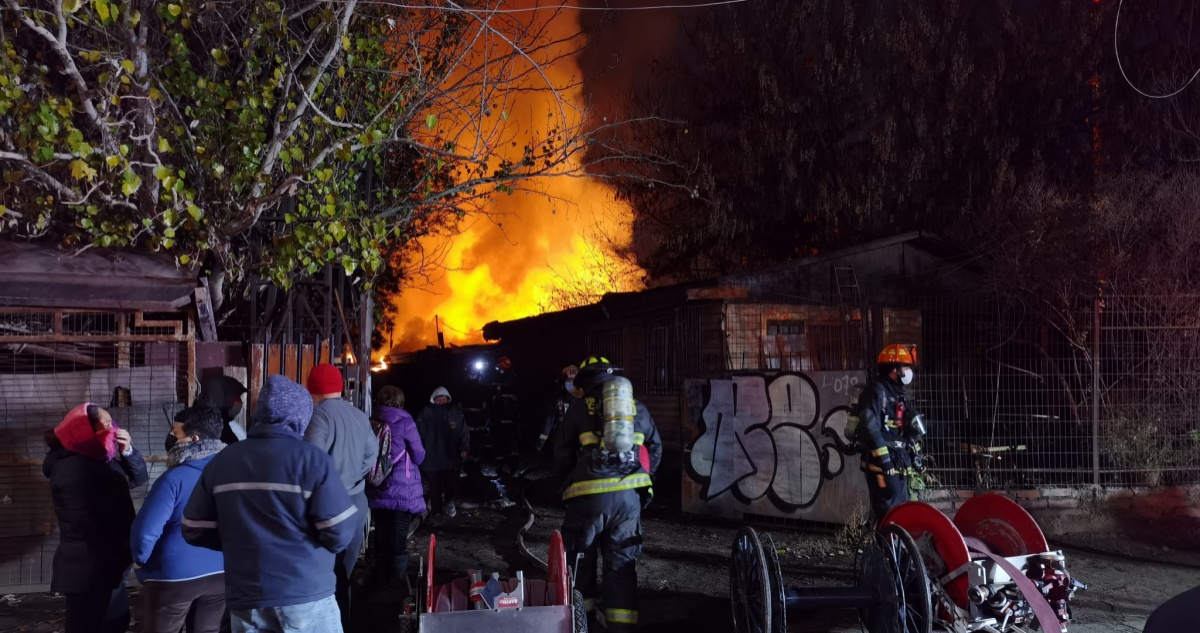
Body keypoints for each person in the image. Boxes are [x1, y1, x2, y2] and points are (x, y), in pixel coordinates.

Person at [183, 375, 359, 633]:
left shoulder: (223, 460)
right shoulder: (312, 460)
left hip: (246, 599)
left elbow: (193, 527)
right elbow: (340, 532)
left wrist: (240, 543)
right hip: (305, 595)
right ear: (300, 416)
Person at [553, 355, 662, 632]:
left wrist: (568, 480)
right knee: (621, 564)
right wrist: (641, 479)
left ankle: (582, 622)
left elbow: (562, 452)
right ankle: (621, 627)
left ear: (587, 381)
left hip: (589, 498)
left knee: (581, 559)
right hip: (629, 502)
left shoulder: (579, 408)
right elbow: (656, 448)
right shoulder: (636, 407)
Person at [43, 402, 149, 633]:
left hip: (106, 564)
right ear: (86, 431)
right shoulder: (72, 468)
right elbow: (96, 519)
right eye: (108, 424)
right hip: (89, 567)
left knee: (113, 620)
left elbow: (138, 478)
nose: (115, 428)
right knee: (90, 624)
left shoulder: (96, 457)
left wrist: (128, 450)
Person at [131, 407, 227, 633]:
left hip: (173, 576)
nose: (171, 437)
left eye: (175, 432)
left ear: (194, 439)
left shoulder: (173, 479)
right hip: (222, 573)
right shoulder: (233, 471)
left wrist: (141, 561)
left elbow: (145, 532)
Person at [304, 363, 378, 629]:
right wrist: (353, 475)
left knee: (324, 575)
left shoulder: (317, 417)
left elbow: (313, 461)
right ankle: (345, 622)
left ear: (312, 389)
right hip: (357, 502)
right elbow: (372, 453)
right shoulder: (358, 415)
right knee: (344, 572)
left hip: (328, 505)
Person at [856, 344, 925, 523]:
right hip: (883, 466)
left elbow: (904, 429)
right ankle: (887, 549)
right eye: (906, 367)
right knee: (889, 513)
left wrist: (916, 453)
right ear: (895, 370)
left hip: (899, 462)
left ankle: (898, 550)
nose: (909, 372)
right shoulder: (875, 392)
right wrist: (885, 461)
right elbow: (870, 428)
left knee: (901, 511)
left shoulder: (898, 394)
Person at [367, 386, 426, 588]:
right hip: (401, 488)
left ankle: (379, 578)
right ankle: (396, 581)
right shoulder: (405, 421)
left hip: (378, 485)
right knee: (399, 535)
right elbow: (419, 455)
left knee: (381, 532)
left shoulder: (371, 420)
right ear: (400, 401)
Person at [416, 386, 470, 518]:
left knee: (453, 486)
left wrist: (464, 448)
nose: (441, 402)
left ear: (448, 399)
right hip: (431, 459)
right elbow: (417, 434)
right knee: (435, 489)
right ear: (433, 400)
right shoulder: (425, 413)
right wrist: (417, 452)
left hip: (451, 458)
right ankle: (437, 512)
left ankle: (450, 502)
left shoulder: (455, 413)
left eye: (444, 399)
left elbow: (464, 433)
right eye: (438, 399)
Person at [169, 375, 248, 447]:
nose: (240, 402)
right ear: (224, 397)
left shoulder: (222, 426)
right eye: (237, 397)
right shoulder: (213, 426)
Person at [537, 364, 580, 452]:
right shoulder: (558, 400)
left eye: (573, 381)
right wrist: (541, 442)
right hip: (560, 442)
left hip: (577, 443)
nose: (570, 384)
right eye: (568, 380)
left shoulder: (582, 399)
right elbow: (549, 421)